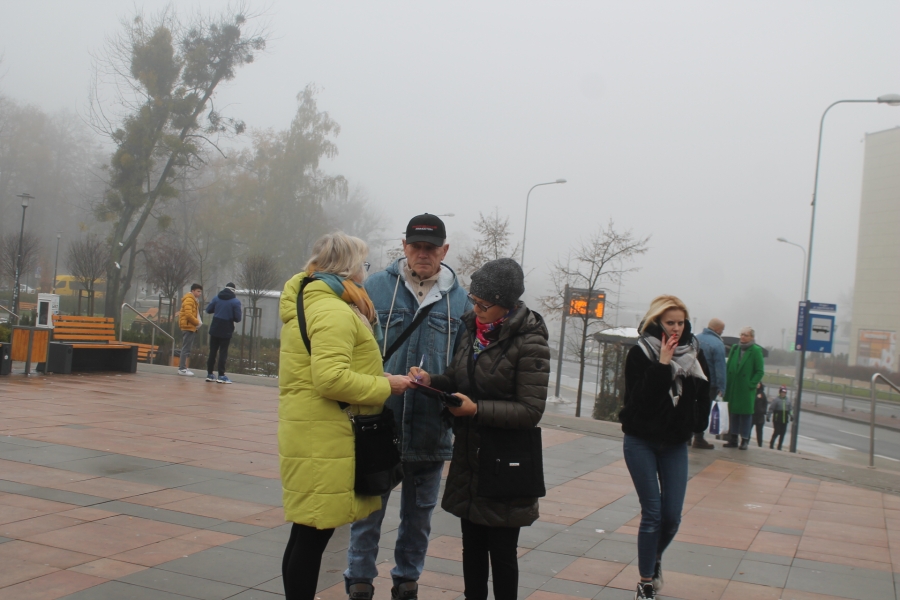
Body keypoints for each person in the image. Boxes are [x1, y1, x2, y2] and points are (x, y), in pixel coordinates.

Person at [278, 232, 411, 600]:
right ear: (348, 267)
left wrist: (375, 377)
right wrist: (386, 386)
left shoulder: (312, 299)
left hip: (313, 428)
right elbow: (331, 379)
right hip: (326, 434)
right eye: (362, 264)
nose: (364, 271)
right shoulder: (334, 311)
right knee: (313, 534)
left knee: (306, 531)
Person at [344, 214, 471, 600]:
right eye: (416, 246)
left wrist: (444, 388)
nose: (423, 254)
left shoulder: (460, 301)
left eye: (431, 248)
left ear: (444, 251)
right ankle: (359, 580)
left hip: (431, 427)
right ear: (404, 246)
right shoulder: (374, 289)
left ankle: (407, 581)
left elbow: (463, 366)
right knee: (368, 510)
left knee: (418, 518)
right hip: (379, 422)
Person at [408, 258, 549, 600]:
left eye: (485, 305)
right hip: (470, 457)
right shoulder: (472, 329)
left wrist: (477, 410)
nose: (477, 309)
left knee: (501, 552)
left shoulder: (531, 341)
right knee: (471, 547)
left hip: (506, 463)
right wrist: (430, 381)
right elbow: (457, 378)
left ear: (507, 304)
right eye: (474, 301)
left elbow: (531, 410)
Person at [618, 295, 710, 600]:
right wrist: (662, 365)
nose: (676, 328)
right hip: (640, 440)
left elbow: (703, 393)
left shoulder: (694, 353)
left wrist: (696, 423)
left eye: (680, 322)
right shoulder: (641, 353)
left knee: (672, 517)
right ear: (657, 322)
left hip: (674, 443)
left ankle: (653, 558)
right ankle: (645, 582)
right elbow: (638, 402)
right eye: (670, 322)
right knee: (653, 513)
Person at [723, 327, 765, 450]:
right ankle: (733, 438)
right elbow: (728, 366)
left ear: (751, 337)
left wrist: (751, 384)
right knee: (734, 413)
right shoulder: (735, 348)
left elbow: (759, 371)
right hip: (734, 386)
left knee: (746, 414)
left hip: (746, 388)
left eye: (746, 335)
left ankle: (745, 439)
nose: (742, 337)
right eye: (741, 334)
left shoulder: (756, 350)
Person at [694, 318, 726, 448]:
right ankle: (698, 438)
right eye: (722, 330)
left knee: (691, 406)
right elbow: (720, 368)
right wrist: (721, 387)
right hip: (709, 383)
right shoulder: (718, 344)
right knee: (703, 409)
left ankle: (687, 436)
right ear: (718, 329)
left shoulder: (696, 339)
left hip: (693, 379)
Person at [205, 282, 242, 384]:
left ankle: (209, 374)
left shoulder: (216, 298)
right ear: (233, 291)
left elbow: (208, 310)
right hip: (226, 328)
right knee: (223, 352)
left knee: (212, 352)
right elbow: (238, 318)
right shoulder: (235, 302)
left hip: (215, 327)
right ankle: (221, 375)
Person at [177, 283, 203, 376]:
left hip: (190, 326)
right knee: (186, 348)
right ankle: (182, 368)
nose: (200, 293)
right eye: (198, 291)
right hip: (188, 326)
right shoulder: (189, 300)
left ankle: (183, 367)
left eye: (200, 292)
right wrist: (197, 322)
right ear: (193, 291)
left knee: (187, 348)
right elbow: (188, 314)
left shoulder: (193, 300)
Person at [767, 385, 792, 450]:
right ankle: (771, 444)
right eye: (782, 392)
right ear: (780, 392)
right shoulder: (776, 400)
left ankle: (779, 446)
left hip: (784, 420)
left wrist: (791, 415)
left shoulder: (788, 401)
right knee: (777, 432)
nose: (783, 394)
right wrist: (768, 416)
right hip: (777, 419)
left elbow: (790, 409)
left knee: (782, 433)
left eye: (784, 392)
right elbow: (771, 408)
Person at [752, 382, 768, 447]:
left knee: (759, 432)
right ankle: (745, 441)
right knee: (748, 429)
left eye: (759, 384)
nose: (758, 385)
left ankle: (760, 445)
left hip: (760, 416)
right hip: (752, 414)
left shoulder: (762, 394)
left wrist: (763, 411)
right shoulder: (753, 392)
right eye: (757, 383)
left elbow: (765, 403)